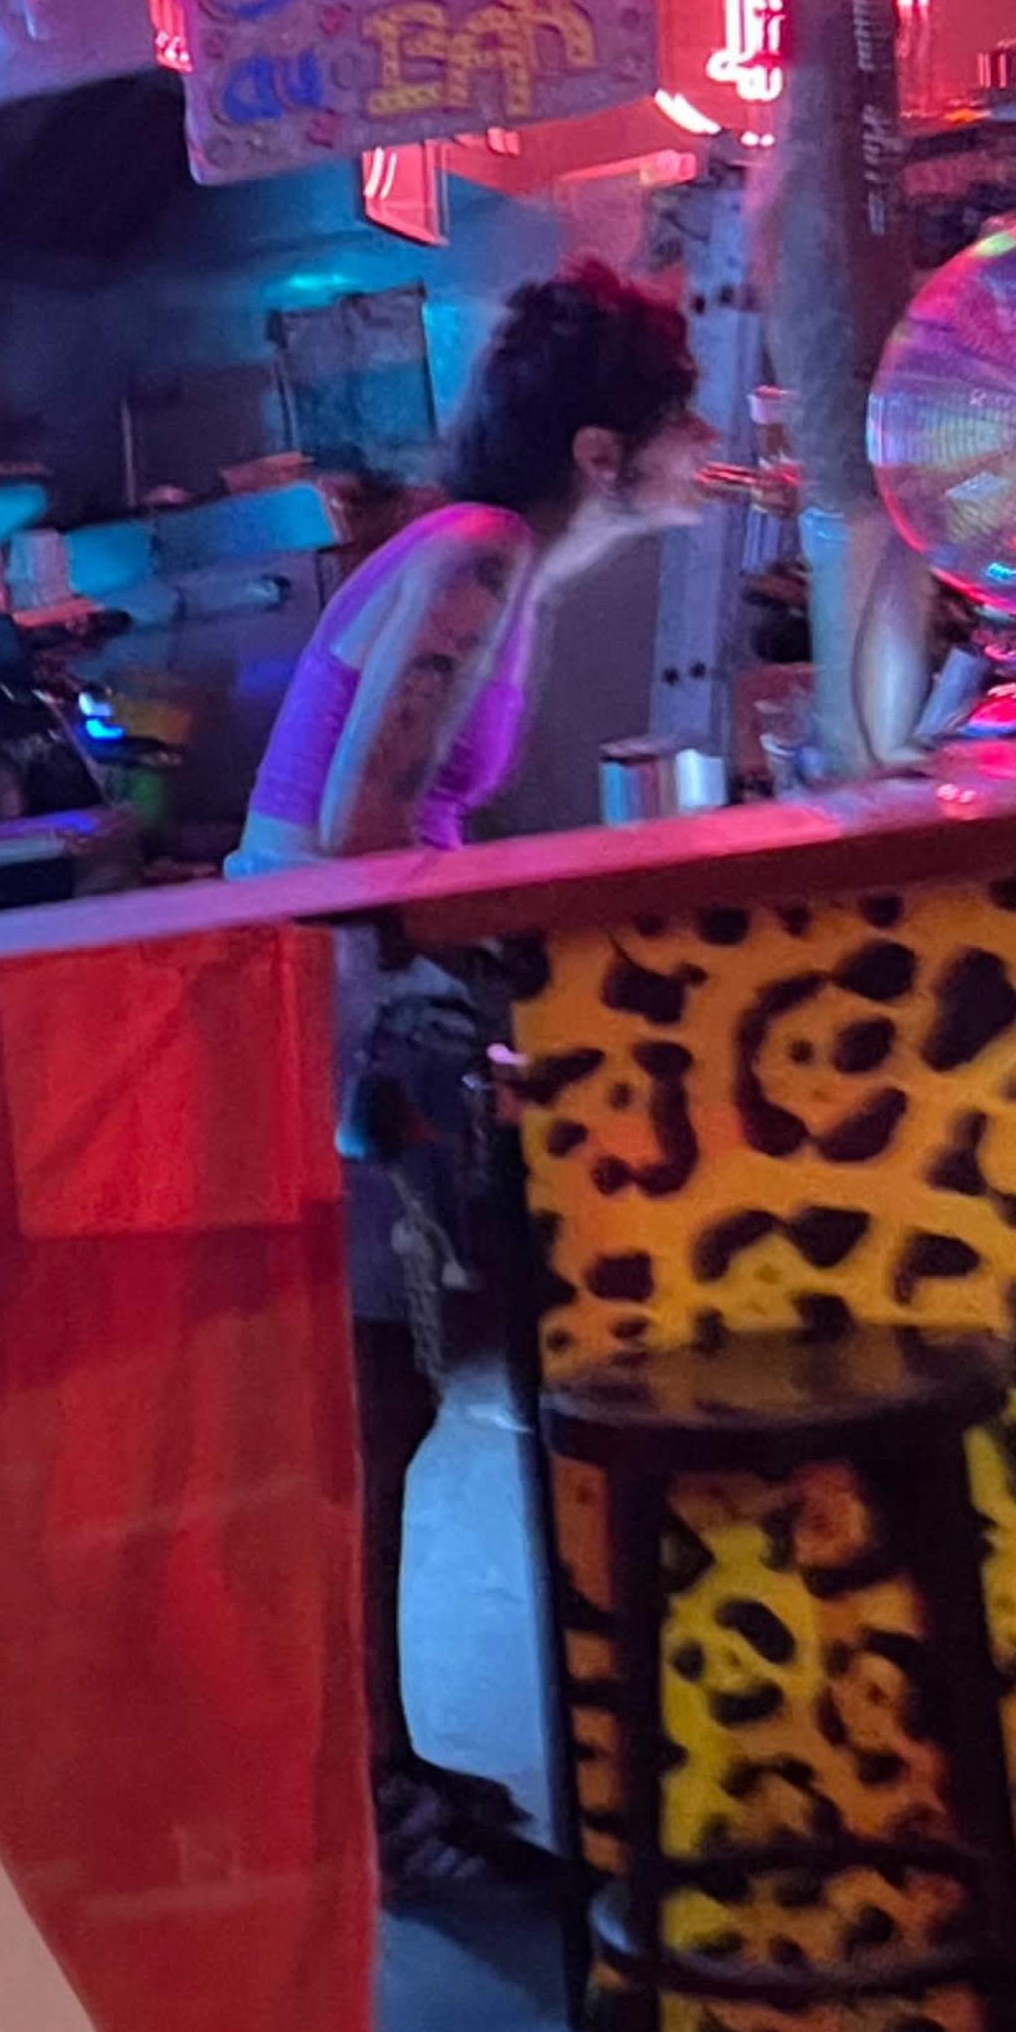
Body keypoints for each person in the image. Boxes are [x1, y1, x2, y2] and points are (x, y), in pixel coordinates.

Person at [231, 261, 714, 1895]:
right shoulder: (481, 564)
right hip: (327, 989)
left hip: (341, 980)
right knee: (370, 1406)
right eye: (676, 424)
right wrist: (510, 929)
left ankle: (376, 1767)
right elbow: (371, 838)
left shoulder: (480, 556)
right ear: (599, 451)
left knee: (390, 1398)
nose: (699, 449)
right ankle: (363, 1794)